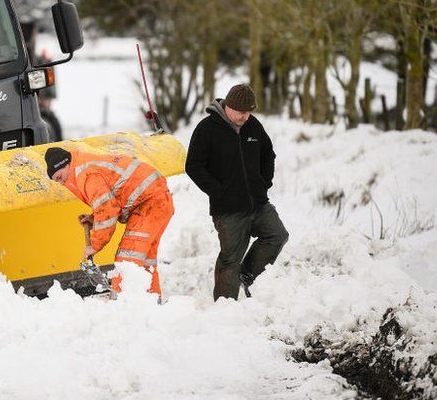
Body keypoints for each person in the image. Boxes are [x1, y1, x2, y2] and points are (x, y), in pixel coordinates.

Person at [185, 84, 289, 301]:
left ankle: (247, 274)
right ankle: (225, 305)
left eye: (249, 112)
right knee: (230, 258)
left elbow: (268, 154)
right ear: (228, 107)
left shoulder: (253, 126)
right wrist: (218, 191)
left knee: (277, 235)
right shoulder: (207, 129)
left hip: (258, 203)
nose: (246, 116)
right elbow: (193, 166)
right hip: (228, 209)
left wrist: (264, 183)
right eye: (242, 112)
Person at [45, 147, 174, 295]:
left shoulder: (85, 174)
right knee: (144, 261)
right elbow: (110, 201)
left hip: (149, 204)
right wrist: (94, 218)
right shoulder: (84, 164)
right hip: (156, 201)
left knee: (127, 260)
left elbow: (107, 209)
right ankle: (151, 300)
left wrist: (94, 245)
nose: (61, 183)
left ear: (66, 165)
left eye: (60, 177)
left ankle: (123, 304)